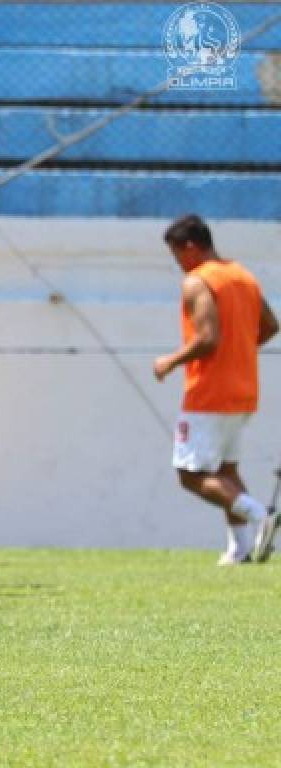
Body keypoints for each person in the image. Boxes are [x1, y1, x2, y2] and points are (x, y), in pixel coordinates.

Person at [152, 214, 278, 564]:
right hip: (244, 388)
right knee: (225, 471)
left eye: (177, 254)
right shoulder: (242, 275)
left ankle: (260, 515)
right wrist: (239, 351)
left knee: (190, 475)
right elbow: (271, 325)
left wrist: (170, 361)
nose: (177, 263)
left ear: (191, 247)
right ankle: (239, 549)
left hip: (209, 392)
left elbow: (207, 339)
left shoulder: (199, 281)